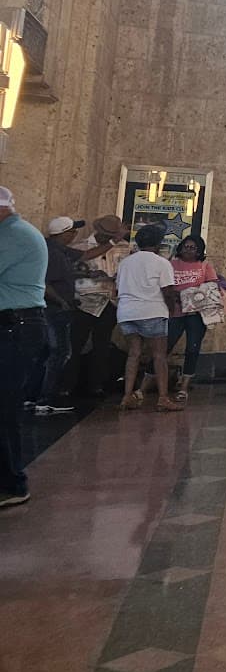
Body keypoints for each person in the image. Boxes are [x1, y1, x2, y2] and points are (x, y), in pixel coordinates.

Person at [0, 186, 49, 508]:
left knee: (4, 407)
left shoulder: (13, 235)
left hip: (15, 328)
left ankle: (12, 484)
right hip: (14, 326)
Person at [116, 224, 182, 412]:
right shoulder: (161, 263)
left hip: (126, 313)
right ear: (158, 243)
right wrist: (171, 310)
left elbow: (118, 287)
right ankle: (163, 398)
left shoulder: (125, 262)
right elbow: (167, 291)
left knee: (134, 354)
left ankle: (127, 396)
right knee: (159, 356)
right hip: (152, 311)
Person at [71, 216, 133, 397]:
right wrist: (88, 274)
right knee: (75, 344)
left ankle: (96, 385)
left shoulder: (125, 249)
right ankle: (69, 385)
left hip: (109, 301)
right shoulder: (81, 247)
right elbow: (69, 271)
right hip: (84, 302)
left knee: (102, 345)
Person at [32, 218, 85, 416]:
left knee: (45, 353)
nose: (75, 235)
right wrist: (62, 302)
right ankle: (45, 400)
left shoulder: (56, 250)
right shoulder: (53, 253)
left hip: (51, 309)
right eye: (72, 231)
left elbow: (85, 256)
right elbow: (45, 283)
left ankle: (32, 397)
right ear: (64, 234)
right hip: (54, 310)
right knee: (60, 353)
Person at [168, 235, 222, 398]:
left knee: (192, 349)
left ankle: (184, 387)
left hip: (197, 314)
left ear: (199, 251)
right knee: (165, 346)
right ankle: (148, 384)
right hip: (175, 312)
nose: (188, 250)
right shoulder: (171, 264)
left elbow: (213, 286)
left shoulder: (205, 266)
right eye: (186, 246)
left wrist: (192, 294)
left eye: (193, 248)